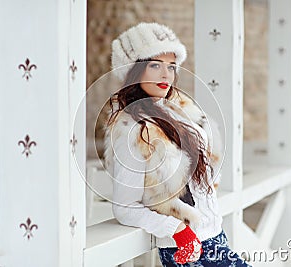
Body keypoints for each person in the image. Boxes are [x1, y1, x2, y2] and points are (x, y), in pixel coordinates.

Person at [103, 22, 251, 267]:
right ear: (134, 70)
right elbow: (125, 207)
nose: (166, 75)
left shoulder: (180, 112)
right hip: (186, 250)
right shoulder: (133, 130)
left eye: (171, 67)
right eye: (155, 65)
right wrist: (177, 229)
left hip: (215, 238)